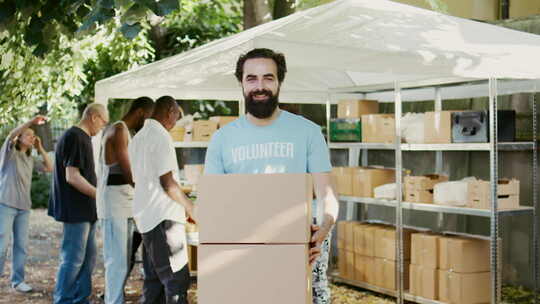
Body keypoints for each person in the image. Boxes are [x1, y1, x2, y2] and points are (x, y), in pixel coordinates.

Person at [203, 48, 339, 304]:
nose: (260, 86)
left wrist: (324, 229)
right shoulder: (222, 139)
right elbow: (213, 204)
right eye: (251, 78)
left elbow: (326, 193)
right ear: (241, 83)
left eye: (268, 77)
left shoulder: (307, 132)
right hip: (242, 253)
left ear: (279, 82)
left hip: (298, 249)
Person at [129, 96, 195, 304]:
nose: (176, 122)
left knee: (155, 282)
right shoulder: (160, 137)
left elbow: (136, 178)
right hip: (163, 218)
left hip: (146, 217)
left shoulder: (138, 138)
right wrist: (191, 208)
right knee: (177, 281)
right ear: (170, 112)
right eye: (177, 116)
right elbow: (168, 182)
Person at [48, 103, 109, 304]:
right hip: (76, 211)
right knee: (72, 260)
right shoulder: (75, 136)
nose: (103, 127)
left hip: (87, 211)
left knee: (87, 261)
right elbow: (72, 177)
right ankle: (63, 300)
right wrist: (100, 195)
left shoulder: (83, 138)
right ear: (94, 117)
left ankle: (81, 299)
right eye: (103, 122)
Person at [97, 97, 154, 304]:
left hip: (126, 206)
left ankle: (115, 299)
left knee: (124, 260)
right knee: (116, 262)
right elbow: (130, 174)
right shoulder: (119, 130)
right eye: (148, 117)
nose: (148, 123)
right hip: (114, 207)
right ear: (140, 112)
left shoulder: (125, 132)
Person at [0, 115, 53, 293]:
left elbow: (49, 167)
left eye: (33, 135)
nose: (32, 137)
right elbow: (10, 136)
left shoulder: (30, 159)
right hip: (6, 204)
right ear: (20, 138)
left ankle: (18, 280)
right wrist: (31, 121)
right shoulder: (9, 153)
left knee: (21, 245)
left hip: (24, 207)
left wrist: (40, 148)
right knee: (2, 244)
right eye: (29, 135)